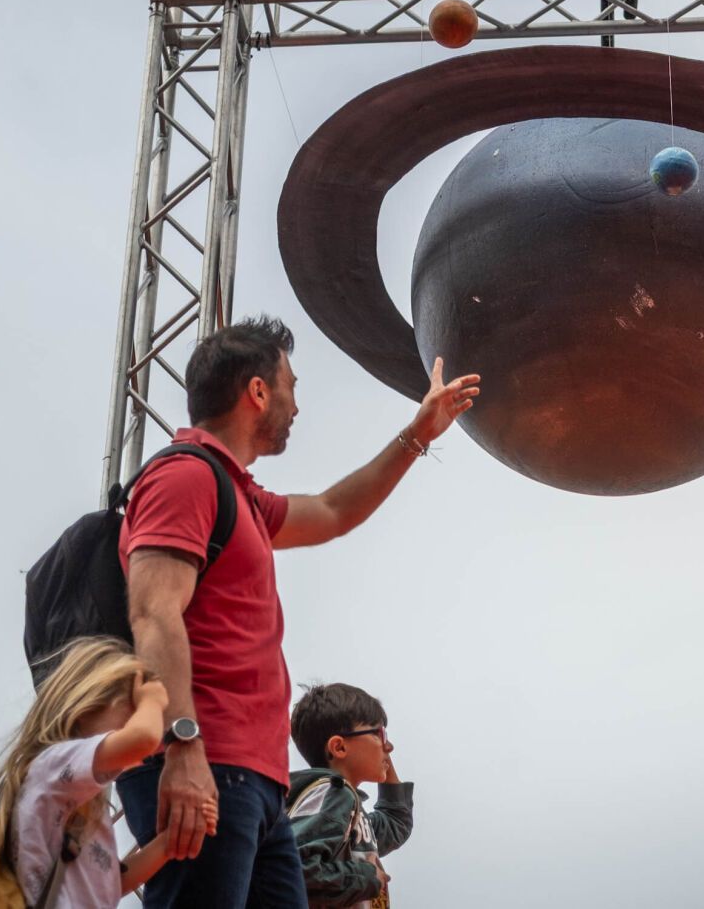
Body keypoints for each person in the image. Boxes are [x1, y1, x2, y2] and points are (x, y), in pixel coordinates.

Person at [118, 316, 477, 909]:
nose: (296, 405)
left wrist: (419, 433)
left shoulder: (243, 496)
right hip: (206, 764)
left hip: (256, 781)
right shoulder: (184, 475)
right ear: (258, 391)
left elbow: (334, 510)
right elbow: (154, 614)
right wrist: (183, 750)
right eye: (291, 385)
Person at [0, 636, 206, 907]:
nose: (137, 720)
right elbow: (143, 739)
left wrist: (169, 841)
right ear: (85, 708)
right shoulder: (54, 765)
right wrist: (154, 699)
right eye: (130, 710)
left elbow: (114, 883)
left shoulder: (83, 803)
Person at [285, 683, 414, 909]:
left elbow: (396, 823)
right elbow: (294, 867)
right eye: (379, 733)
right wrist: (366, 877)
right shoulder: (333, 794)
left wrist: (381, 753)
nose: (389, 746)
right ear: (339, 747)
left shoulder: (348, 807)